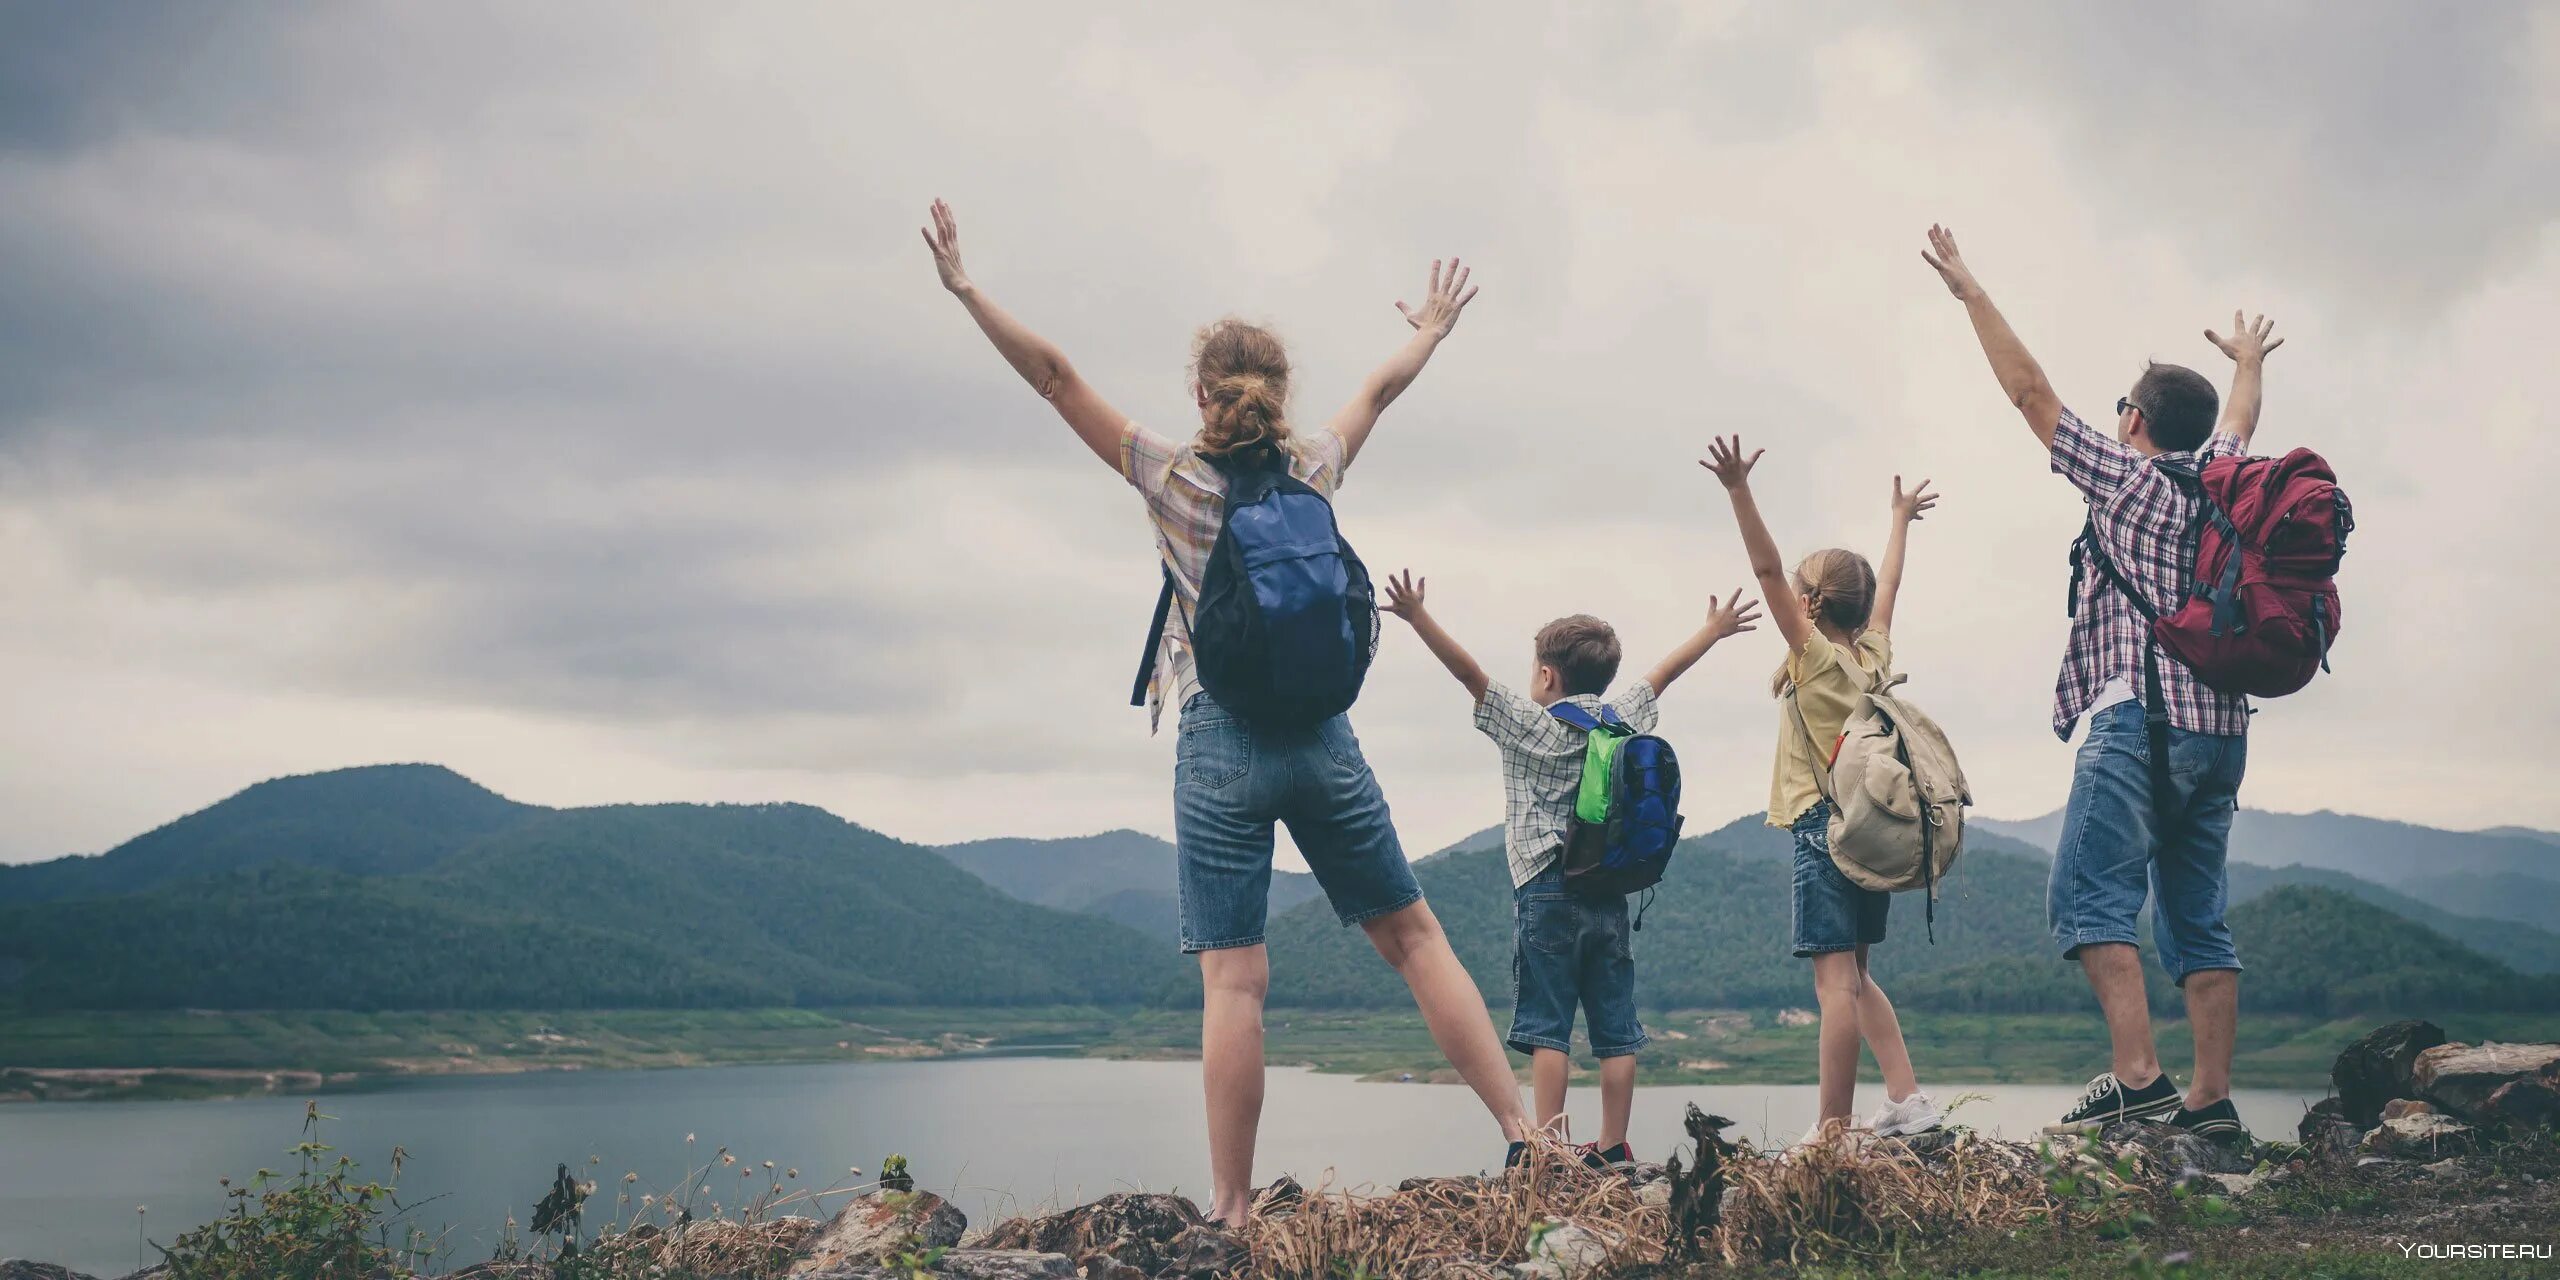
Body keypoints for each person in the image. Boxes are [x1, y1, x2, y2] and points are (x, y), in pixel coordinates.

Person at [921, 200, 1529, 1222]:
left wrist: (965, 288)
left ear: (1201, 393)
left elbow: (1055, 377)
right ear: (1280, 394)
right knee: (1417, 936)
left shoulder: (1173, 478)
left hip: (1218, 740)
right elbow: (1380, 387)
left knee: (1235, 981)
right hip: (1324, 737)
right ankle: (1525, 1135)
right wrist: (1429, 326)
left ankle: (1235, 1207)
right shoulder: (1314, 469)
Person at [1920, 224, 2279, 1144]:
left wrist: (1969, 291)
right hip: (2221, 736)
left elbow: (2029, 393)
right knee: (2198, 917)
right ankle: (2211, 1100)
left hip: (2139, 725)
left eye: (2123, 404)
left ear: (2134, 419)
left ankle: (2138, 1080)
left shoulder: (2129, 483)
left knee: (2086, 900)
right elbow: (2238, 420)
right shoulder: (2222, 479)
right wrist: (2247, 360)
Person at [1377, 569, 1760, 1168]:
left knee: (1548, 1025)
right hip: (1609, 889)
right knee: (1615, 1028)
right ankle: (1613, 1146)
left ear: (1547, 675)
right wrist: (1711, 631)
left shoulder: (1531, 726)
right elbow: (1660, 678)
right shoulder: (1618, 719)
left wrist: (1418, 617)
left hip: (1545, 892)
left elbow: (1470, 676)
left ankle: (1549, 1145)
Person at [1701, 435, 1946, 1147]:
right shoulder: (1871, 655)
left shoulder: (1811, 656)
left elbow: (1765, 566)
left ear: (1808, 605)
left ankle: (1832, 1131)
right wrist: (1899, 520)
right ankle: (1906, 1100)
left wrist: (1738, 489)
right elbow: (1890, 588)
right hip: (1868, 826)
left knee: (1834, 985)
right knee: (1860, 978)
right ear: (1860, 610)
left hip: (1821, 825)